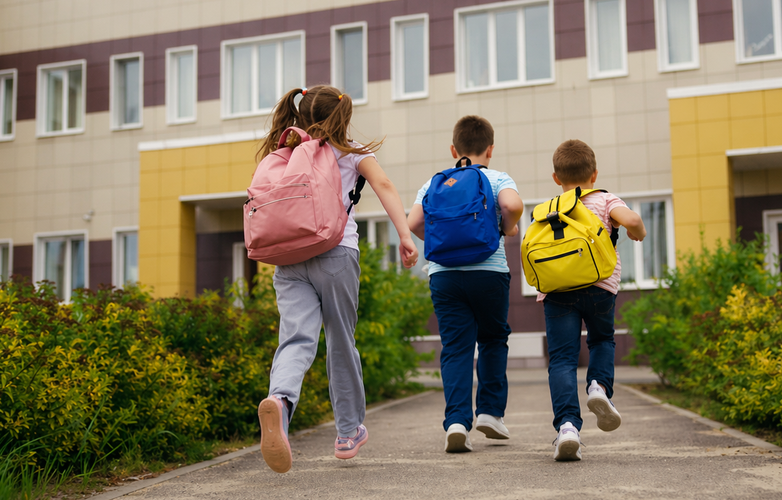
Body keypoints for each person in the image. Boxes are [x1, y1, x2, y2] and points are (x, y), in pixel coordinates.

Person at [257, 85, 418, 473]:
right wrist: (405, 235)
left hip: (289, 258)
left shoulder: (287, 149)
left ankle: (279, 400)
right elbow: (383, 185)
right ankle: (347, 432)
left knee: (296, 338)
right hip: (335, 253)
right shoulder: (350, 149)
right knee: (341, 339)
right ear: (341, 118)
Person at [407, 115, 523, 453]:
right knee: (492, 338)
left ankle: (457, 421)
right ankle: (489, 412)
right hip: (488, 271)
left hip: (443, 275)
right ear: (490, 149)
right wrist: (505, 228)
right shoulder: (497, 176)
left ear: (454, 149)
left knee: (456, 347)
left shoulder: (434, 183)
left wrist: (441, 242)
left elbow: (413, 221)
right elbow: (512, 206)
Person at [540, 139, 646, 462]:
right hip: (600, 288)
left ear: (556, 178)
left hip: (558, 292)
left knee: (561, 359)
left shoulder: (551, 208)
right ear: (594, 174)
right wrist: (636, 233)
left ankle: (568, 428)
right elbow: (632, 221)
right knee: (601, 340)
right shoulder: (604, 200)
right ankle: (599, 387)